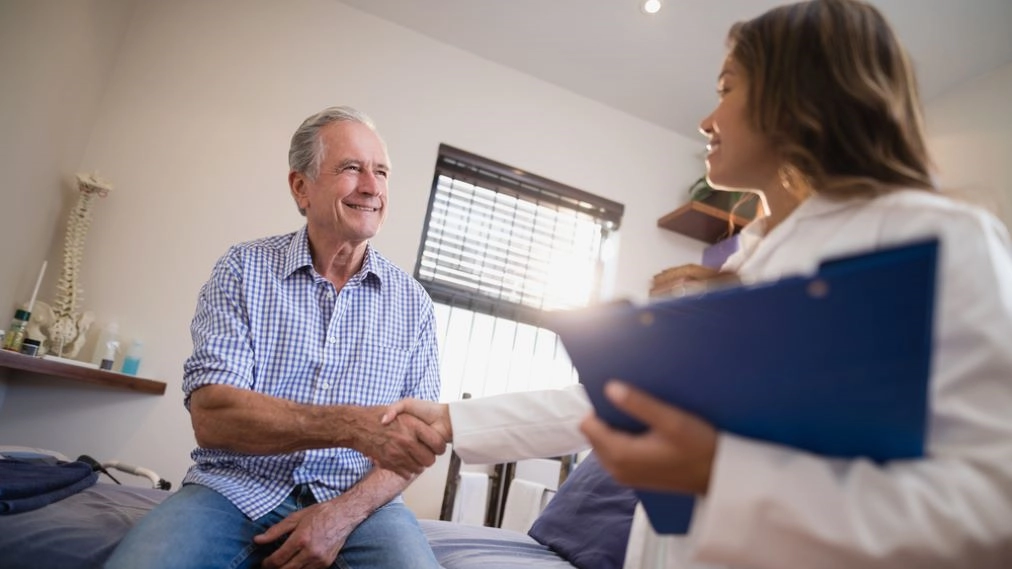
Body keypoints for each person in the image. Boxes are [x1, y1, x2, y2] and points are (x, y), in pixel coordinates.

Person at [385, 0, 1012, 567]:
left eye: (726, 88)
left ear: (800, 96)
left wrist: (721, 471)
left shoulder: (940, 238)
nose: (707, 118)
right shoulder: (746, 264)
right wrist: (454, 418)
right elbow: (626, 400)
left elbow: (991, 508)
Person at [106, 106, 446, 569]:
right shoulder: (243, 269)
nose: (371, 186)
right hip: (233, 489)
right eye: (351, 168)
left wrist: (341, 514)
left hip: (363, 507)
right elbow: (214, 418)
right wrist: (352, 426)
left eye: (381, 171)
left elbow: (415, 447)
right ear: (300, 187)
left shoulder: (414, 305)